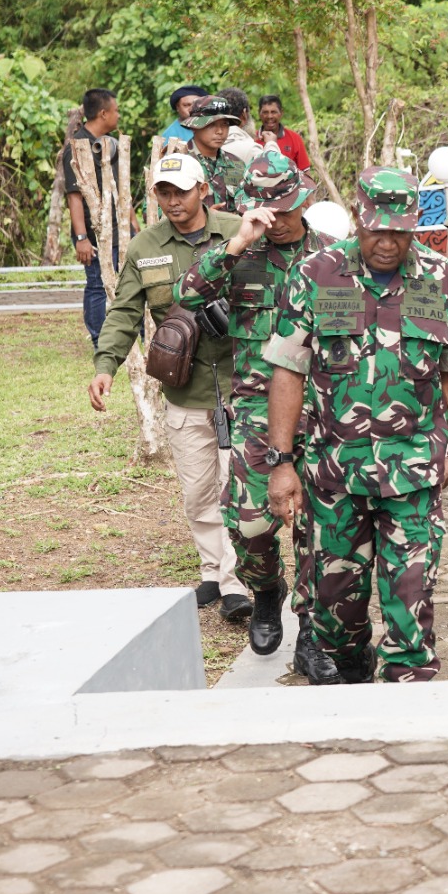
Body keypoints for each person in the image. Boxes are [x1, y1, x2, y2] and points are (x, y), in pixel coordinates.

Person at [263, 167, 448, 683]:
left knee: (410, 610)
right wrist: (283, 462)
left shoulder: (443, 278)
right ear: (359, 219)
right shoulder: (316, 274)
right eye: (377, 229)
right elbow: (288, 371)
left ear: (414, 225)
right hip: (334, 475)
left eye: (399, 232)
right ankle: (350, 664)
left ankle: (407, 702)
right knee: (338, 613)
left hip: (413, 472)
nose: (387, 242)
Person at [175, 150, 338, 684]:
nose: (278, 216)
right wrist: (239, 240)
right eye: (267, 208)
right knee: (249, 523)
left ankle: (313, 629)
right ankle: (267, 590)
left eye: (286, 206)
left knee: (319, 529)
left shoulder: (335, 257)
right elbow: (186, 293)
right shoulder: (240, 254)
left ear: (304, 199)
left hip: (324, 410)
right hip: (254, 408)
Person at [87, 154, 248, 619]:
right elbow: (124, 312)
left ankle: (237, 581)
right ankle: (213, 572)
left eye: (181, 190)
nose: (173, 200)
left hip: (242, 383)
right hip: (185, 388)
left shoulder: (238, 231)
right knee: (198, 490)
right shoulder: (146, 246)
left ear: (203, 190)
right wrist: (106, 365)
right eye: (164, 192)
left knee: (235, 487)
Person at [62, 88, 122, 347]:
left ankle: (123, 334)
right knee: (97, 284)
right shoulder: (77, 147)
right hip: (93, 231)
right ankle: (99, 340)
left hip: (116, 227)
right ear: (103, 113)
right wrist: (81, 238)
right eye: (116, 110)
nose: (119, 115)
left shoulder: (109, 144)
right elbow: (74, 197)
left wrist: (132, 224)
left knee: (123, 282)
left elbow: (120, 188)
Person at [183, 95, 247, 214]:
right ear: (194, 127)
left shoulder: (237, 164)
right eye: (211, 124)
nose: (220, 131)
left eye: (224, 124)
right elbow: (156, 211)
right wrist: (201, 217)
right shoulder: (179, 162)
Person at [257, 95, 312, 171]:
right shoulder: (252, 140)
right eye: (265, 112)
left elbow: (305, 173)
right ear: (259, 113)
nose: (269, 116)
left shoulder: (295, 139)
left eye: (273, 112)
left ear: (281, 113)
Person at [217, 88, 262, 166]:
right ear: (244, 114)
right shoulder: (251, 150)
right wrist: (271, 145)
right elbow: (275, 173)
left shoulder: (201, 146)